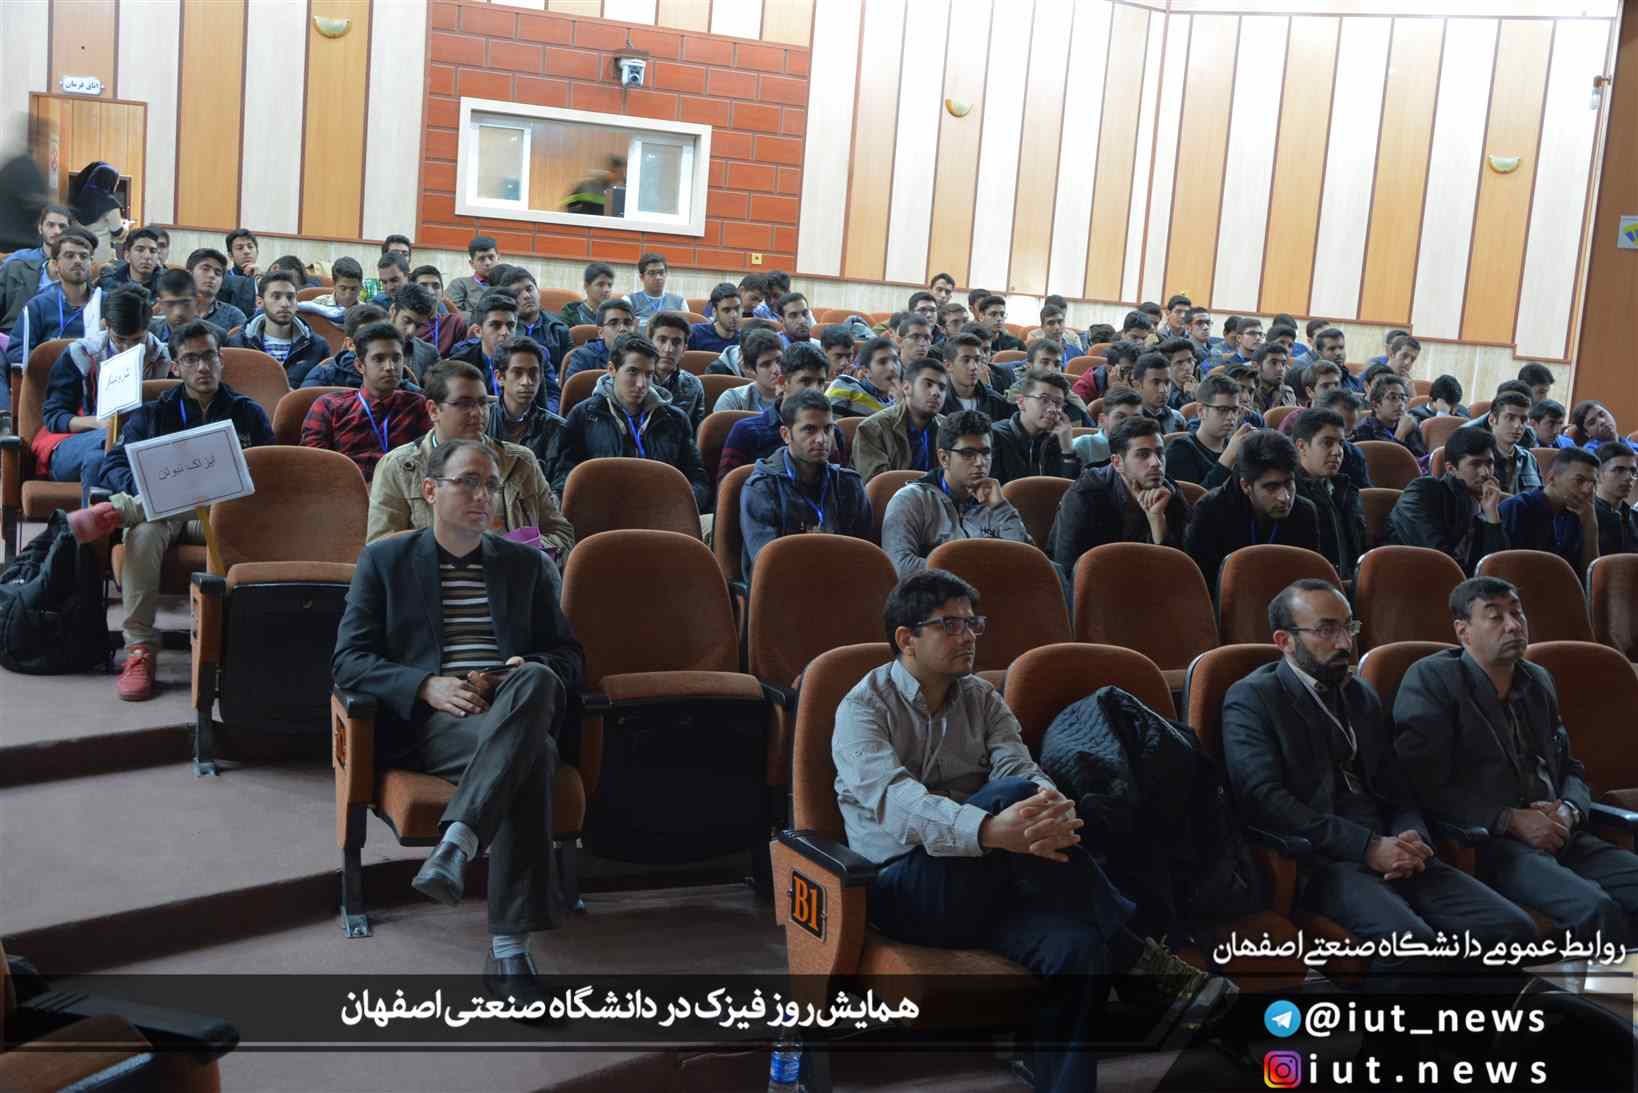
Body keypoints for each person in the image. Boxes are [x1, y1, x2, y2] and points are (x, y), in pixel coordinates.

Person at [834, 570, 1221, 1093]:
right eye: (950, 625)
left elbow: (1021, 766)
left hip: (992, 884)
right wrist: (992, 829)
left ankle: (1063, 1078)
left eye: (973, 623)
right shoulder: (862, 708)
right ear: (907, 638)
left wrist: (1050, 804)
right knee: (1010, 798)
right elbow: (897, 803)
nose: (969, 636)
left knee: (1079, 947)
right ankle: (1138, 956)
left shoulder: (982, 698)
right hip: (905, 889)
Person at [333, 437, 583, 1007]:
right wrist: (425, 685)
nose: (482, 496)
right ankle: (509, 949)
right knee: (537, 756)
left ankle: (458, 841)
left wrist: (521, 667)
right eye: (467, 482)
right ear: (429, 490)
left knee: (538, 678)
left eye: (490, 485)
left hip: (510, 701)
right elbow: (347, 661)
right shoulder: (386, 561)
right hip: (438, 721)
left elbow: (569, 657)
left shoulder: (527, 565)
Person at [1224, 580, 1537, 987]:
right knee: (1411, 945)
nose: (1344, 643)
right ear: (1284, 641)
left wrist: (1411, 833)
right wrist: (1367, 847)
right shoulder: (1252, 699)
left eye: (1348, 627)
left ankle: (1474, 1027)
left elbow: (1397, 787)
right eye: (1326, 630)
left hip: (1395, 848)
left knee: (1511, 929)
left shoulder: (1361, 695)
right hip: (1322, 860)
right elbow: (1263, 800)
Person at [1395, 577, 1638, 946]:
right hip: (1493, 844)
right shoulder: (1433, 679)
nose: (1513, 625)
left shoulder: (1537, 679)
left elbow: (1570, 767)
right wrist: (1509, 819)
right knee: (1596, 908)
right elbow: (1422, 783)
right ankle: (1610, 986)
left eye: (1517, 613)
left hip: (1560, 832)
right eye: (1495, 617)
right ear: (1463, 631)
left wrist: (1568, 810)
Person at [68, 321, 275, 700]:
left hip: (222, 517)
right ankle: (139, 650)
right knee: (144, 531)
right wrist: (153, 489)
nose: (202, 367)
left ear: (221, 359)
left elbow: (270, 472)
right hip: (162, 515)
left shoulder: (248, 413)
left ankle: (120, 511)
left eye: (209, 356)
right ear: (176, 367)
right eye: (191, 359)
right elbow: (113, 465)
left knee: (147, 516)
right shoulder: (153, 413)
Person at [368, 360, 574, 558]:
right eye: (464, 404)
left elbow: (561, 534)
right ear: (433, 410)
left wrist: (521, 554)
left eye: (483, 403)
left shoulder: (520, 461)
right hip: (431, 578)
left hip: (511, 575)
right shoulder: (398, 467)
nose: (478, 413)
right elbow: (379, 550)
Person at [34, 286, 171, 501]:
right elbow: (54, 417)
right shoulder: (81, 354)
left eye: (137, 340)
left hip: (135, 446)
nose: (127, 349)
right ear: (106, 325)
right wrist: (102, 423)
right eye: (120, 339)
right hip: (75, 441)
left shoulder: (163, 358)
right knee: (116, 437)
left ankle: (97, 523)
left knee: (99, 460)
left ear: (149, 327)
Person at [553, 333, 711, 512]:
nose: (641, 384)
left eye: (649, 374)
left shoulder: (675, 419)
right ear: (612, 370)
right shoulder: (583, 415)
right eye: (633, 372)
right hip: (600, 511)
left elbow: (698, 478)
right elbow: (565, 475)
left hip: (662, 512)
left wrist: (679, 506)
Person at [880, 411, 1032, 577]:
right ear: (944, 458)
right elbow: (900, 566)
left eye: (986, 452)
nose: (980, 463)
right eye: (968, 453)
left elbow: (1028, 562)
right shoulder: (911, 499)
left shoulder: (994, 502)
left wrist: (1001, 508)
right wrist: (977, 571)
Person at [738, 389, 871, 573]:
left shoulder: (849, 484)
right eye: (810, 429)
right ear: (786, 435)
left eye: (828, 429)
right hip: (783, 583)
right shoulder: (762, 488)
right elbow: (768, 564)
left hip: (842, 580)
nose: (822, 439)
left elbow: (865, 556)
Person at [1184, 429, 1321, 601]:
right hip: (1227, 605)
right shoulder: (1210, 511)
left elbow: (1308, 581)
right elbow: (1199, 587)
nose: (1284, 497)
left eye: (1288, 483)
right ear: (1245, 485)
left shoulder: (1305, 512)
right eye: (1271, 487)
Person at [1051, 417, 1189, 571]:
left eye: (1160, 453)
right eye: (1143, 455)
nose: (1156, 463)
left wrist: (1156, 519)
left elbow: (1179, 572)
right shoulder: (1085, 495)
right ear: (1117, 463)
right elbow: (1066, 568)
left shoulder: (1171, 494)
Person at [300, 323, 431, 482]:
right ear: (360, 366)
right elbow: (314, 465)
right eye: (379, 359)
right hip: (345, 488)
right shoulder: (329, 406)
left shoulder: (418, 405)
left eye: (396, 358)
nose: (390, 367)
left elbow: (430, 461)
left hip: (402, 489)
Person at [1387, 426, 1507, 575]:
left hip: (1466, 584)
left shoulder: (1489, 502)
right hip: (1410, 578)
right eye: (1475, 464)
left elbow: (1497, 568)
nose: (1485, 473)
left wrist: (1492, 516)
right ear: (1451, 469)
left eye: (1489, 463)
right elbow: (1438, 558)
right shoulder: (1423, 491)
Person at [717, 343, 844, 479]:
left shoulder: (831, 431)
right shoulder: (746, 432)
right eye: (806, 381)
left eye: (821, 383)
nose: (815, 390)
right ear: (783, 382)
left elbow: (839, 484)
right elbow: (728, 487)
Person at [1499, 447, 1600, 579]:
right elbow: (1506, 567)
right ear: (1551, 477)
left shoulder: (1578, 512)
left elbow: (1589, 577)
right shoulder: (1517, 508)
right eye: (1579, 481)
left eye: (1593, 483)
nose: (1587, 490)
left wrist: (1590, 526)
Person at [5, 228, 100, 366]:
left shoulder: (105, 302)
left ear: (91, 263)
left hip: (96, 375)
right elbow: (17, 352)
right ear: (55, 264)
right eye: (69, 256)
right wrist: (54, 363)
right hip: (50, 376)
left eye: (84, 256)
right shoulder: (37, 306)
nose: (78, 261)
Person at [1292, 409, 1366, 581]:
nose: (1337, 451)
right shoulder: (1289, 494)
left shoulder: (1347, 490)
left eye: (1341, 443)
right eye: (1327, 443)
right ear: (1301, 446)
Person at [852, 359, 949, 482]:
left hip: (939, 494)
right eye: (928, 384)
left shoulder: (949, 428)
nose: (936, 393)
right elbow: (879, 485)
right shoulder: (873, 429)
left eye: (942, 388)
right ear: (907, 387)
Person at [484, 336, 566, 479]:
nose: (527, 381)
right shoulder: (481, 422)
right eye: (517, 372)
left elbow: (562, 483)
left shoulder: (558, 429)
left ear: (541, 376)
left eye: (533, 373)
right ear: (499, 377)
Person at [225, 270, 328, 384]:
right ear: (260, 302)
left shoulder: (317, 346)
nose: (285, 304)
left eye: (290, 297)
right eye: (276, 297)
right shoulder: (238, 344)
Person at [989, 368, 1080, 487]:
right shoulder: (994, 436)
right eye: (1044, 400)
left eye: (1058, 403)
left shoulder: (1057, 439)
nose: (1052, 409)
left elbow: (1071, 490)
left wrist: (1067, 450)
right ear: (1021, 402)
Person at [493, 267, 570, 406]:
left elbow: (562, 383)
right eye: (517, 293)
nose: (526, 296)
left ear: (538, 291)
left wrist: (546, 414)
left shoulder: (560, 330)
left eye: (529, 289)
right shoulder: (503, 332)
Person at [301, 303, 417, 391]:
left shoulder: (400, 378)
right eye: (369, 336)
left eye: (383, 333)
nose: (378, 342)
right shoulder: (323, 378)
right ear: (350, 345)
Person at [1165, 374, 1252, 489]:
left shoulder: (1235, 446)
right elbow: (1193, 499)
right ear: (1201, 411)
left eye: (1235, 410)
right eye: (1222, 410)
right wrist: (1228, 457)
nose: (1231, 417)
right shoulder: (1180, 450)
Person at [0, 204, 73, 335]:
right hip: (15, 332)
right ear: (40, 228)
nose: (56, 231)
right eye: (50, 225)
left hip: (58, 334)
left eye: (62, 226)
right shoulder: (18, 262)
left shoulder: (77, 267)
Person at [1351, 375, 1427, 467]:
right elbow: (1388, 466)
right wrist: (1400, 435)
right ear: (1376, 405)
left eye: (1403, 398)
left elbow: (1420, 459)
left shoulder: (1410, 425)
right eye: (1393, 398)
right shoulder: (1364, 431)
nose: (1400, 404)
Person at [941, 331, 1012, 420]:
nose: (973, 367)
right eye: (966, 360)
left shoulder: (997, 402)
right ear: (948, 366)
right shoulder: (937, 401)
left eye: (977, 360)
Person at [712, 327, 784, 413]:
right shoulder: (733, 400)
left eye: (779, 361)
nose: (776, 370)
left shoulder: (796, 396)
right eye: (766, 365)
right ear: (750, 369)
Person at [562, 298, 636, 380]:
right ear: (600, 332)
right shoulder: (584, 357)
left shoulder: (642, 353)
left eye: (627, 323)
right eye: (613, 323)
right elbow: (573, 387)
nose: (622, 329)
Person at [149, 268, 225, 347]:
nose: (178, 312)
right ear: (160, 304)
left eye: (185, 304)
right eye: (170, 304)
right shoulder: (147, 333)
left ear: (197, 301)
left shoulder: (216, 335)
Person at [1071, 386, 1143, 469]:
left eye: (1136, 418)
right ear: (1102, 420)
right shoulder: (1083, 446)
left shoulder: (1149, 447)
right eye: (1121, 417)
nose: (1129, 424)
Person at [828, 335, 898, 418]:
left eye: (895, 360)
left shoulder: (900, 400)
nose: (893, 367)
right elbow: (828, 424)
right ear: (866, 371)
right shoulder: (844, 386)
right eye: (882, 362)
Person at [185, 248, 248, 334]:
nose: (212, 275)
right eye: (205, 269)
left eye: (218, 273)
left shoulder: (233, 316)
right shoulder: (173, 308)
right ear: (189, 274)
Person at [1592, 442, 1638, 556]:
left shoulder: (1634, 517)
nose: (1629, 477)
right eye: (1619, 470)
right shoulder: (1585, 517)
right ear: (1597, 474)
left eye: (1633, 471)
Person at [96, 226, 162, 297]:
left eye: (153, 251)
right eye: (140, 250)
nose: (147, 256)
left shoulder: (166, 284)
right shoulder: (109, 279)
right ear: (127, 256)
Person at [626, 253, 685, 331]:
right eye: (652, 273)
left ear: (666, 275)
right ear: (642, 277)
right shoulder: (629, 301)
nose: (658, 277)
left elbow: (688, 331)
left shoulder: (679, 302)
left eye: (661, 272)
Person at [1132, 351, 1187, 434]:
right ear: (1138, 386)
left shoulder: (1177, 419)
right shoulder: (1130, 422)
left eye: (1167, 382)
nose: (1163, 390)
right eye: (1156, 383)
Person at [447, 235, 499, 324]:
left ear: (498, 258)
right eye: (481, 259)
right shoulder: (460, 284)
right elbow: (453, 314)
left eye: (491, 257)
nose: (488, 263)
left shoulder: (506, 284)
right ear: (472, 263)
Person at [299, 255, 364, 317]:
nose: (348, 295)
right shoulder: (318, 304)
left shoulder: (365, 312)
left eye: (353, 289)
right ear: (334, 284)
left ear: (360, 286)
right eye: (343, 289)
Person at [689, 282, 741, 353]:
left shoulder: (745, 340)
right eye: (726, 310)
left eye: (737, 308)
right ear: (714, 312)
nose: (734, 315)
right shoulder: (695, 334)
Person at [561, 262, 615, 329]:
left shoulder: (615, 315)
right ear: (586, 286)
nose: (607, 290)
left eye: (609, 285)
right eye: (600, 284)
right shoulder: (571, 313)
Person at [1250, 344, 1296, 413]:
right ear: (1256, 366)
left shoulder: (1288, 393)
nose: (1280, 369)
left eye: (1283, 364)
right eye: (1274, 363)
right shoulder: (1247, 393)